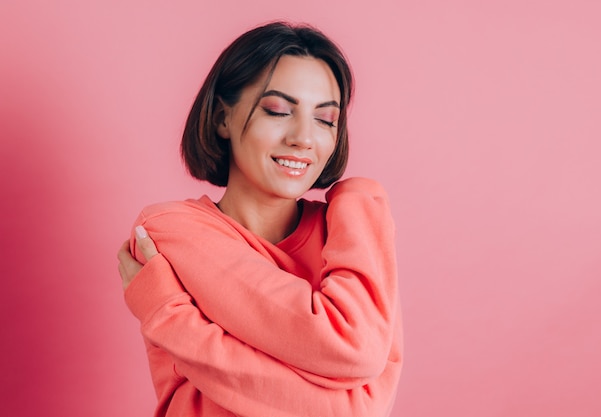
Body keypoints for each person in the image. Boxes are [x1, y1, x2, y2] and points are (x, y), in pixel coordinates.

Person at [117, 21, 403, 417]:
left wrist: (169, 317)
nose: (303, 137)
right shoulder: (171, 230)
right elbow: (348, 367)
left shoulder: (350, 229)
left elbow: (364, 401)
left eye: (326, 119)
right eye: (278, 111)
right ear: (222, 118)